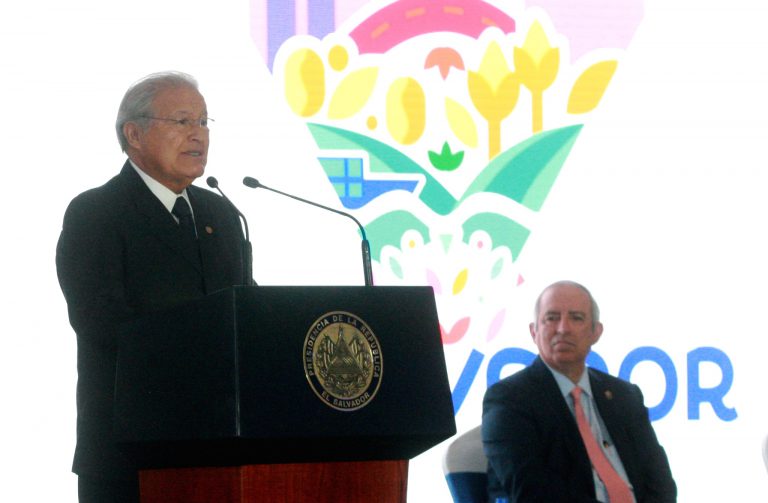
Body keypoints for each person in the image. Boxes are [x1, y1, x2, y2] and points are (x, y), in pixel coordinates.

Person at [56, 71, 249, 502]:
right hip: (132, 454)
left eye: (203, 121)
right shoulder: (96, 213)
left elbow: (247, 312)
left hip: (221, 450)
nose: (198, 134)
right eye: (182, 121)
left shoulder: (221, 213)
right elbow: (101, 323)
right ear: (134, 134)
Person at [482, 281, 676, 502]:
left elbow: (661, 483)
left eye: (576, 318)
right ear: (533, 331)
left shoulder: (625, 396)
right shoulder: (509, 399)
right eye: (551, 318)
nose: (563, 329)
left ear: (596, 332)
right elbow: (533, 494)